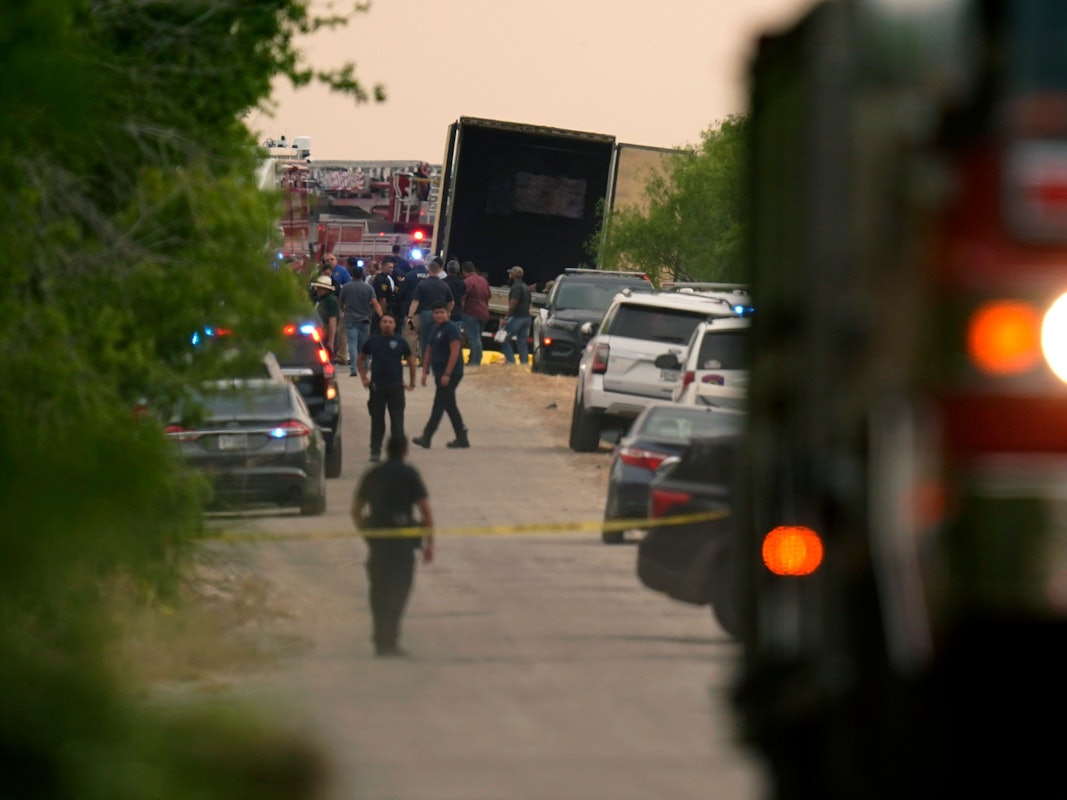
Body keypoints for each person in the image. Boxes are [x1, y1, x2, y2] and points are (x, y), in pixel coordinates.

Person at [351, 435, 434, 657]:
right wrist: (429, 545)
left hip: (378, 543)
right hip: (402, 544)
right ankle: (390, 640)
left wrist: (366, 534)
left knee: (378, 591)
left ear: (387, 450)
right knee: (399, 591)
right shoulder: (409, 474)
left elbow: (356, 510)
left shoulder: (374, 474)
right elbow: (425, 512)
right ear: (405, 451)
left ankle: (381, 640)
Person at [357, 312, 416, 462]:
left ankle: (397, 454)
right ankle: (375, 451)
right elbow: (360, 358)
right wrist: (364, 377)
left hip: (396, 387)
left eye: (390, 322)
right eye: (385, 322)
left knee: (397, 422)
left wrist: (412, 381)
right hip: (377, 387)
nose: (387, 324)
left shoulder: (400, 342)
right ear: (380, 323)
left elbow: (411, 361)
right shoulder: (373, 341)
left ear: (395, 325)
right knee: (377, 421)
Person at [413, 301, 469, 449]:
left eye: (441, 312)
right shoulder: (434, 328)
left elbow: (455, 352)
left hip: (451, 373)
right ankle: (462, 437)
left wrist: (447, 373)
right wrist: (424, 372)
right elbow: (429, 351)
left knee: (439, 404)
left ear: (448, 313)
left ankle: (427, 436)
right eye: (436, 313)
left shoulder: (452, 329)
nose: (438, 315)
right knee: (449, 404)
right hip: (439, 372)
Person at [338, 264, 382, 377]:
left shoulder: (346, 287)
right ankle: (365, 366)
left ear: (352, 274)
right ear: (362, 275)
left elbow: (341, 303)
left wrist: (345, 311)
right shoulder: (368, 288)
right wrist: (382, 316)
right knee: (363, 345)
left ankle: (353, 368)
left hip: (350, 319)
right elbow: (375, 303)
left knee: (352, 344)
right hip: (365, 319)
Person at [407, 257, 454, 357]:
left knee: (425, 339)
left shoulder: (422, 284)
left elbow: (415, 302)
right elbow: (451, 302)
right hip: (440, 315)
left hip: (426, 314)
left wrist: (410, 316)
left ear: (428, 270)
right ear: (438, 270)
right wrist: (448, 312)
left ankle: (425, 362)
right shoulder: (444, 285)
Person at [500, 265, 532, 366]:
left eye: (510, 273)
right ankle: (524, 364)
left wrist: (506, 317)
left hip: (518, 317)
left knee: (503, 339)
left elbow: (513, 302)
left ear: (513, 275)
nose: (509, 274)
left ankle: (510, 362)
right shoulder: (526, 287)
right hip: (526, 317)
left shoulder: (516, 287)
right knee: (522, 343)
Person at [461, 260, 490, 366]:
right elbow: (488, 296)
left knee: (473, 338)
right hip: (484, 313)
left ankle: (475, 362)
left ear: (464, 271)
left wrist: (461, 312)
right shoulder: (483, 281)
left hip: (471, 313)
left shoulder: (467, 282)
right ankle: (472, 359)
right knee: (477, 337)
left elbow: (463, 299)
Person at [311, 273, 340, 361]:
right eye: (318, 287)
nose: (318, 290)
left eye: (321, 288)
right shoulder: (321, 300)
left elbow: (332, 321)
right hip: (320, 334)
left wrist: (330, 341)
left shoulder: (330, 300)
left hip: (326, 334)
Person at [443, 259, 467, 326]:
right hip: (457, 315)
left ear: (447, 269)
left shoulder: (442, 282)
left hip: (444, 313)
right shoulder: (462, 283)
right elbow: (463, 300)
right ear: (458, 270)